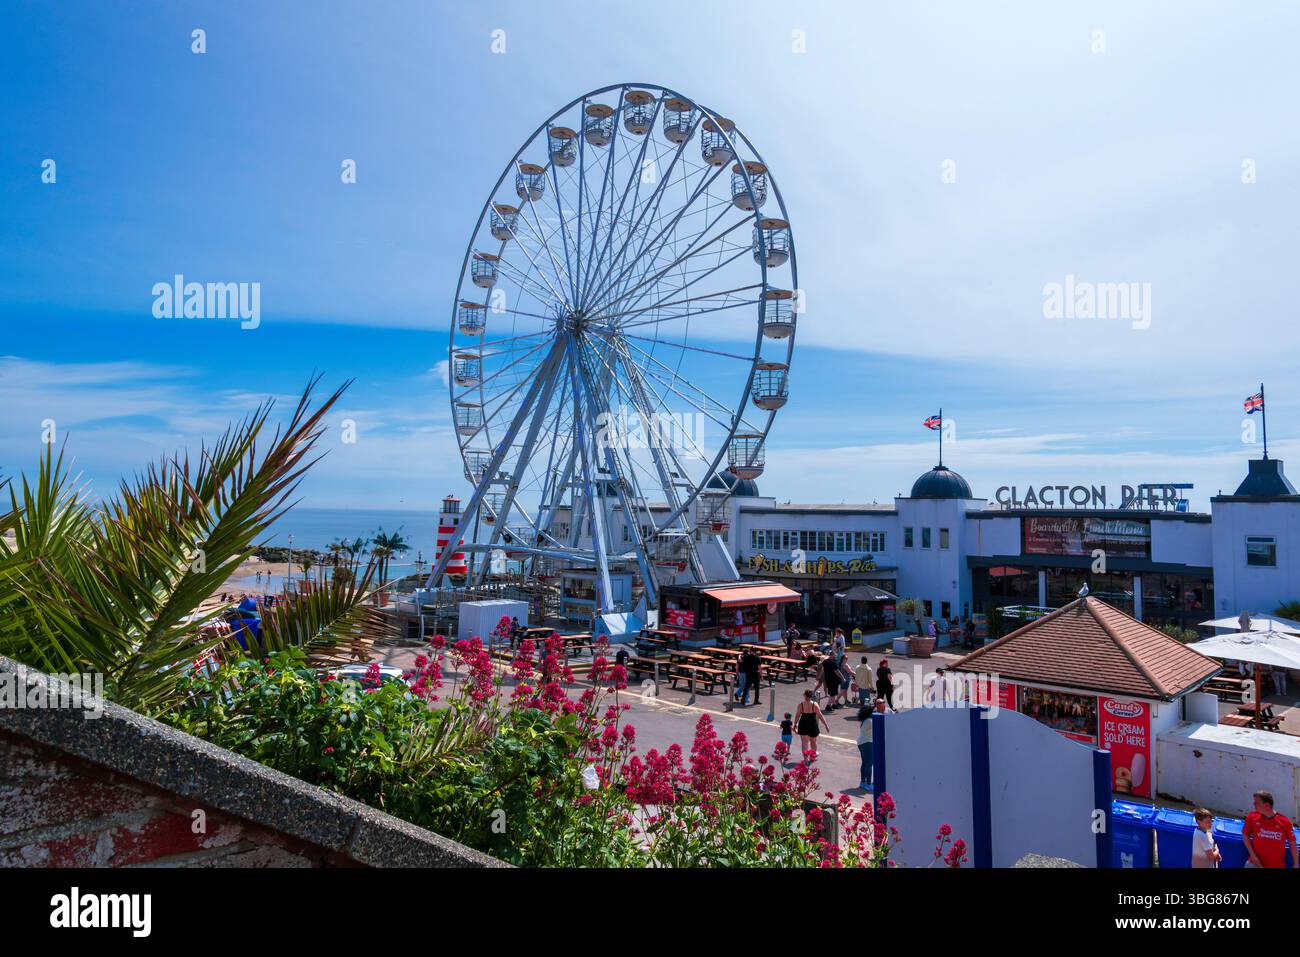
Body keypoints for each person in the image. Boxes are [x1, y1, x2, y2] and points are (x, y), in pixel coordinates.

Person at [1244, 790, 1298, 868]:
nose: (1253, 804)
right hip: (1255, 863)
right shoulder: (1252, 817)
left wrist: (1296, 864)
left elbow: (1292, 844)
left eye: (1256, 803)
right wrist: (1253, 855)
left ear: (1267, 806)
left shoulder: (1284, 822)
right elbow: (1245, 835)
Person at [794, 688, 830, 759]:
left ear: (804, 695)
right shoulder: (814, 704)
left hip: (803, 723)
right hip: (812, 724)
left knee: (804, 743)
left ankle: (805, 759)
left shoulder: (801, 705)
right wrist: (826, 725)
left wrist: (794, 724)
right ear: (811, 696)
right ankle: (812, 756)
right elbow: (820, 715)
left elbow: (797, 715)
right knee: (813, 741)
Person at [856, 702, 875, 791]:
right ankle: (868, 783)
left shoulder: (865, 720)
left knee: (864, 763)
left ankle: (863, 782)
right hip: (867, 743)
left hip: (862, 743)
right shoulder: (870, 721)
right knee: (869, 764)